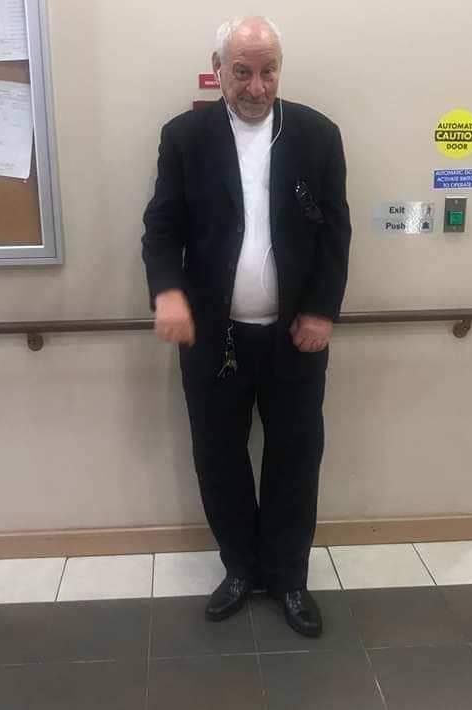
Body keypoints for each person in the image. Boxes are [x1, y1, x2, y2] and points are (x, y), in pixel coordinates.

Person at [142, 16, 351, 637]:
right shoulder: (185, 137)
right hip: (213, 338)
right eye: (242, 72)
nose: (257, 86)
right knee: (219, 457)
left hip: (295, 339)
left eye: (268, 71)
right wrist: (168, 293)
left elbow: (335, 234)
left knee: (295, 458)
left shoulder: (317, 134)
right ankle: (240, 568)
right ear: (218, 69)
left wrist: (321, 310)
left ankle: (288, 578)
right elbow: (162, 229)